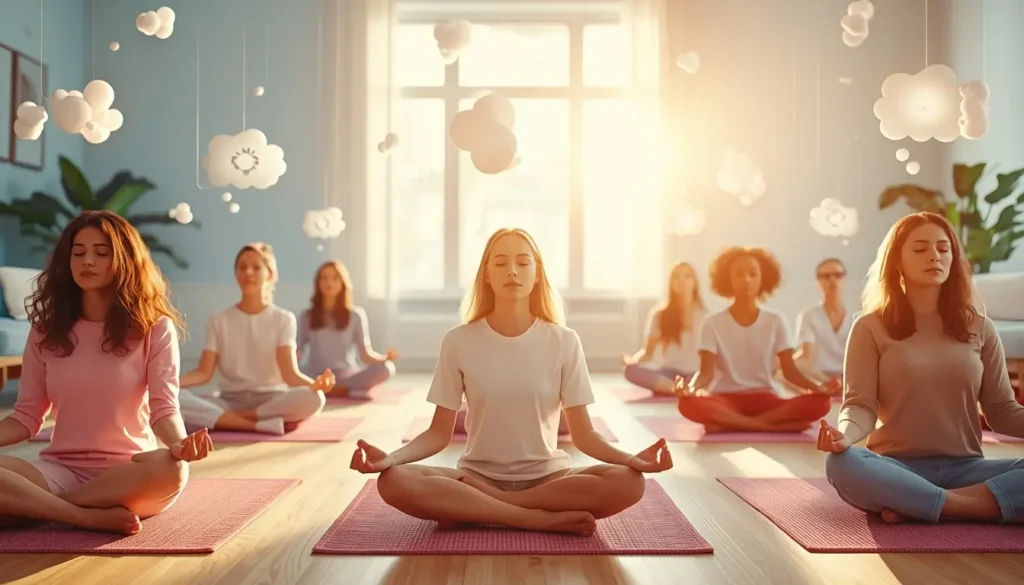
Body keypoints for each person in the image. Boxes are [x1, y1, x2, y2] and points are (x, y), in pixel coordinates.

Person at [349, 228, 672, 536]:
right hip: (475, 476)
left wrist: (631, 459)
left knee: (629, 482)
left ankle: (482, 509)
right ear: (487, 274)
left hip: (548, 479)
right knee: (393, 481)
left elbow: (584, 435)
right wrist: (391, 458)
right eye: (501, 263)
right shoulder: (459, 340)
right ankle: (531, 519)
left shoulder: (564, 340)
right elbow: (438, 434)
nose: (512, 271)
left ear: (537, 273)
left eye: (522, 262)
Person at [0, 211, 211, 534]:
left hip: (129, 470)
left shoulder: (154, 328)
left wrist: (181, 444)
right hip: (58, 470)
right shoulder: (45, 330)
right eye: (79, 252)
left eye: (101, 252)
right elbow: (27, 417)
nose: (88, 261)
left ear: (125, 260)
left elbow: (164, 408)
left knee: (173, 470)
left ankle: (35, 506)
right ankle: (82, 516)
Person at [819, 212, 1024, 524]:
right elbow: (860, 405)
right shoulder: (869, 327)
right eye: (920, 249)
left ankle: (922, 504)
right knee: (840, 463)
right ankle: (974, 505)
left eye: (943, 249)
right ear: (897, 261)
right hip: (896, 469)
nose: (934, 256)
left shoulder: (980, 328)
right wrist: (844, 436)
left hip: (968, 469)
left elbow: (1002, 411)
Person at [674, 246, 836, 433]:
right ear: (728, 279)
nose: (746, 280)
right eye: (739, 274)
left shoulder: (775, 321)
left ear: (762, 278)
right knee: (686, 404)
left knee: (822, 402)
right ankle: (768, 426)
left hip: (766, 399)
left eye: (753, 274)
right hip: (725, 399)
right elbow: (705, 374)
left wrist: (818, 388)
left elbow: (790, 371)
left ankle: (730, 423)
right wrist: (689, 388)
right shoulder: (712, 323)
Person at [178, 243, 333, 435]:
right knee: (175, 398)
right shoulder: (218, 319)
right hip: (229, 401)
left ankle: (230, 420)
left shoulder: (283, 319)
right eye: (242, 267)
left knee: (315, 398)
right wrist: (169, 384)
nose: (248, 272)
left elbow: (290, 374)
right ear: (236, 274)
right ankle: (258, 425)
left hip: (271, 401)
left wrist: (315, 385)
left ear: (270, 274)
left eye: (256, 267)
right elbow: (203, 373)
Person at [296, 261, 397, 398]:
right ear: (318, 283)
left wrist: (384, 358)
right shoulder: (306, 316)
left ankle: (335, 389)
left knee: (387, 368)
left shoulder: (356, 315)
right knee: (287, 374)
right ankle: (342, 390)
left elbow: (365, 354)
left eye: (335, 278)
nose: (329, 283)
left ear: (343, 283)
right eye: (324, 278)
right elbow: (298, 352)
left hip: (345, 375)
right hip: (316, 375)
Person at [621, 262, 707, 395]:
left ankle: (684, 389)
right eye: (676, 277)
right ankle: (677, 389)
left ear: (695, 282)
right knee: (631, 371)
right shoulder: (659, 314)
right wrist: (632, 360)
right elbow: (647, 352)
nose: (682, 281)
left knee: (711, 378)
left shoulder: (706, 316)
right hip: (669, 374)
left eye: (687, 276)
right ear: (670, 283)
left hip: (696, 375)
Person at [792, 258, 852, 387]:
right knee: (782, 373)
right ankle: (824, 389)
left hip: (851, 377)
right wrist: (782, 362)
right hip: (820, 377)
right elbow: (806, 354)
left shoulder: (857, 317)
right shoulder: (809, 316)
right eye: (826, 276)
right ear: (817, 282)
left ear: (845, 279)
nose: (832, 279)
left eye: (838, 275)